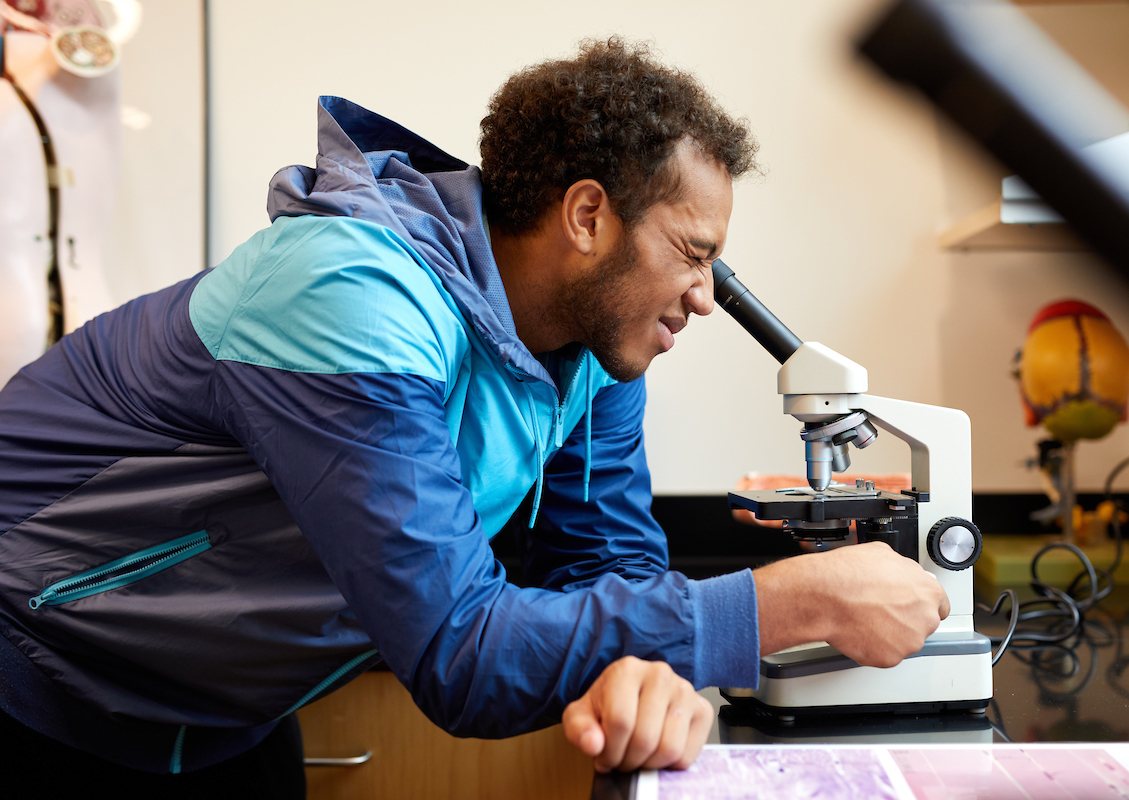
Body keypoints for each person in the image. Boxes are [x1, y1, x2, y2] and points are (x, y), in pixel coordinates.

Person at [0, 37, 948, 792]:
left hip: (221, 717)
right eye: (692, 253)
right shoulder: (353, 291)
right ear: (587, 217)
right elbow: (462, 652)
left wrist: (651, 673)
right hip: (37, 681)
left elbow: (603, 563)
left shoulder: (595, 352)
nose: (703, 296)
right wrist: (785, 604)